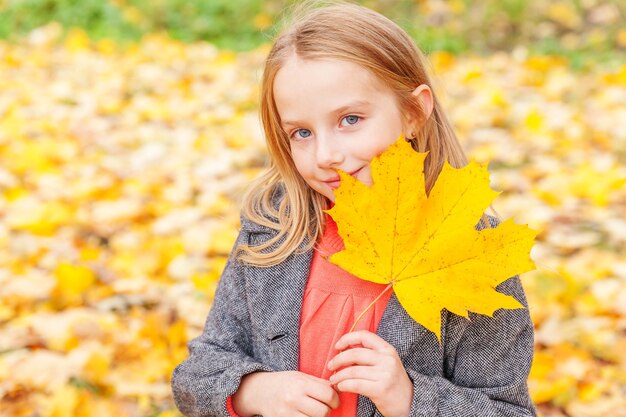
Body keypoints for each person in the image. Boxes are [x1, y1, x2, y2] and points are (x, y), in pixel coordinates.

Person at [171, 1, 537, 416]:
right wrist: (254, 391)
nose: (326, 154)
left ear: (414, 112)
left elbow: (509, 411)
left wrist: (411, 398)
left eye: (350, 119)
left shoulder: (471, 254)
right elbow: (195, 375)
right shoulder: (274, 231)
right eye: (302, 132)